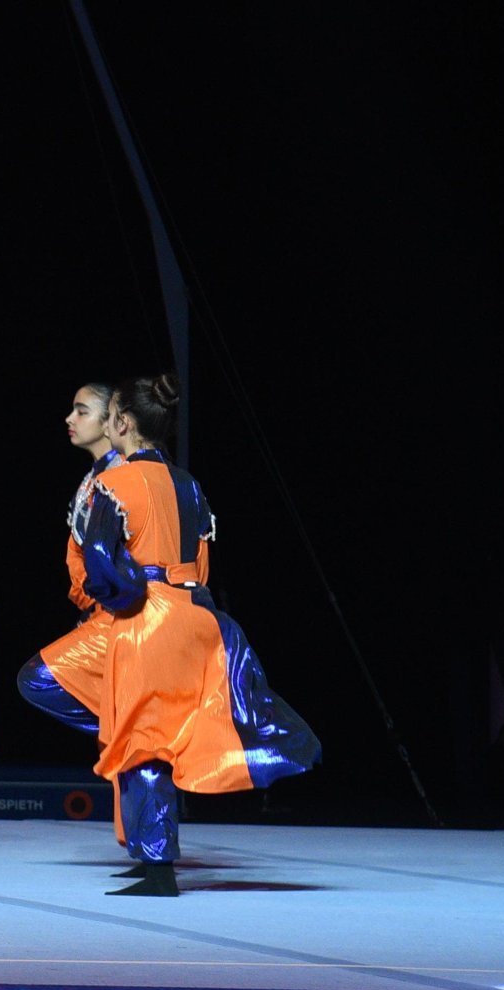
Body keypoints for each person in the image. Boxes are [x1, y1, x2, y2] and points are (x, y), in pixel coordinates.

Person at [55, 374, 319, 896]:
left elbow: (103, 563)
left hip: (148, 616)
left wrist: (122, 598)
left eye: (107, 418)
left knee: (144, 740)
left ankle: (158, 869)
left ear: (123, 424)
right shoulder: (188, 482)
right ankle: (152, 857)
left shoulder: (115, 483)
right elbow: (200, 559)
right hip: (195, 610)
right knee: (151, 734)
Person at [15, 383, 126, 833]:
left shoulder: (121, 475)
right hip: (99, 611)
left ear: (111, 421)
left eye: (82, 411)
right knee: (118, 734)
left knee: (38, 679)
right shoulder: (94, 476)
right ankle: (138, 841)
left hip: (120, 614)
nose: (70, 418)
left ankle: (137, 728)